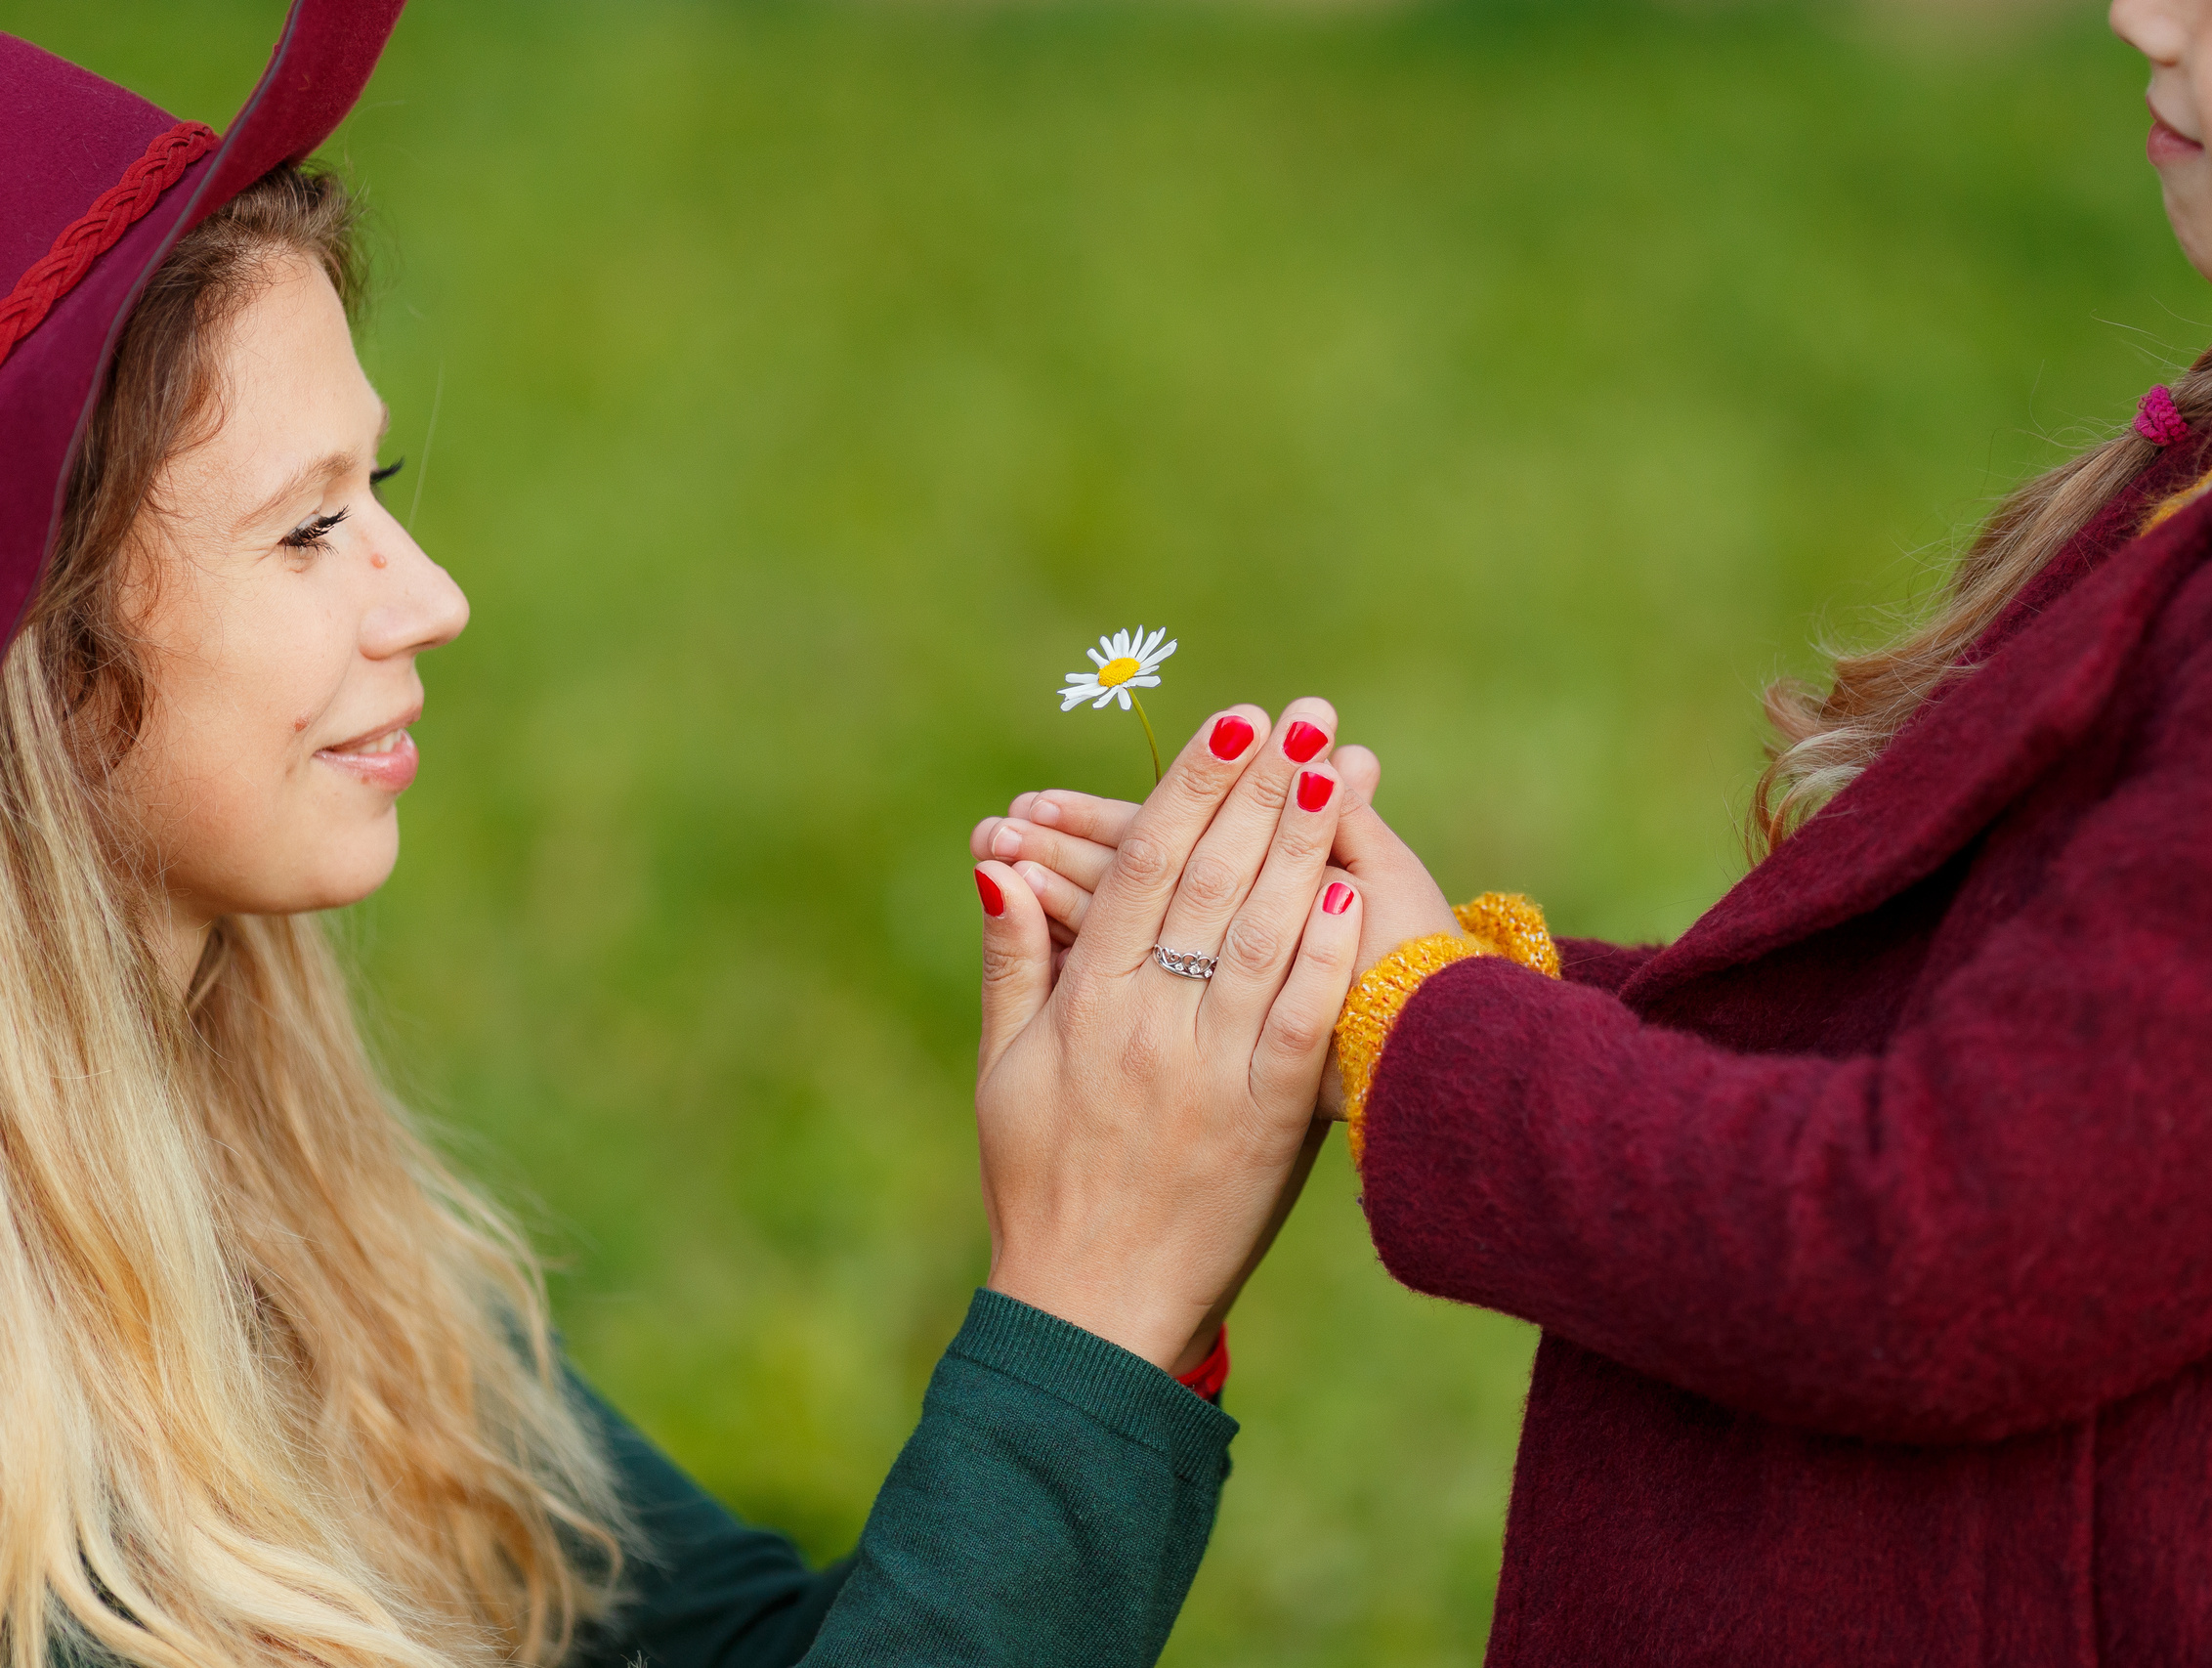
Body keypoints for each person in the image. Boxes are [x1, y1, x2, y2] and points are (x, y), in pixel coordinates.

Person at [979, 0, 2212, 1658]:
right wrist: (1371, 965)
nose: (2141, 10)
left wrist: (1425, 1034)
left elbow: (1944, 1247)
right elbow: (2009, 1043)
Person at [0, 6, 1357, 1667]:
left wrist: (1129, 1229)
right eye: (309, 528)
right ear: (35, 654)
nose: (430, 599)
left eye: (387, 484)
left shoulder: (288, 1216)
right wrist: (1095, 1304)